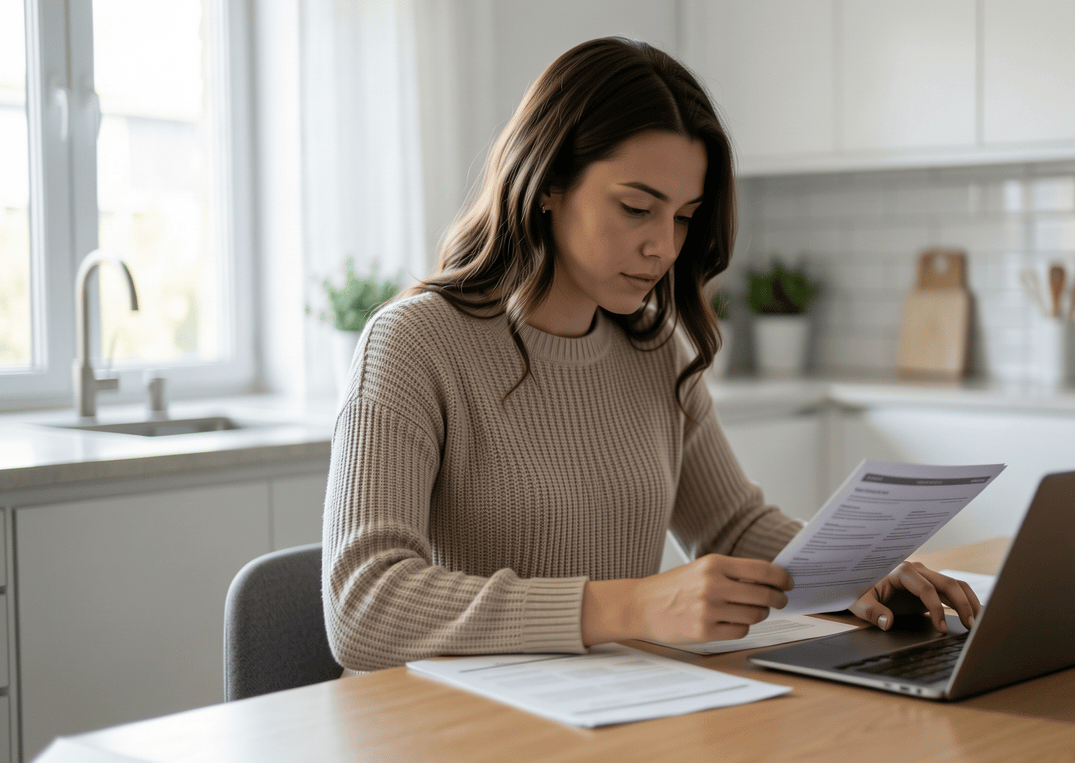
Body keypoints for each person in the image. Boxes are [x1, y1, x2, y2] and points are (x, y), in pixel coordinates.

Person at [322, 36, 979, 673]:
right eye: (637, 207)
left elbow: (731, 525)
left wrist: (855, 571)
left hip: (615, 709)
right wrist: (629, 605)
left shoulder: (653, 348)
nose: (664, 247)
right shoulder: (412, 344)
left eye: (684, 216)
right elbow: (364, 608)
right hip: (464, 728)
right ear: (548, 183)